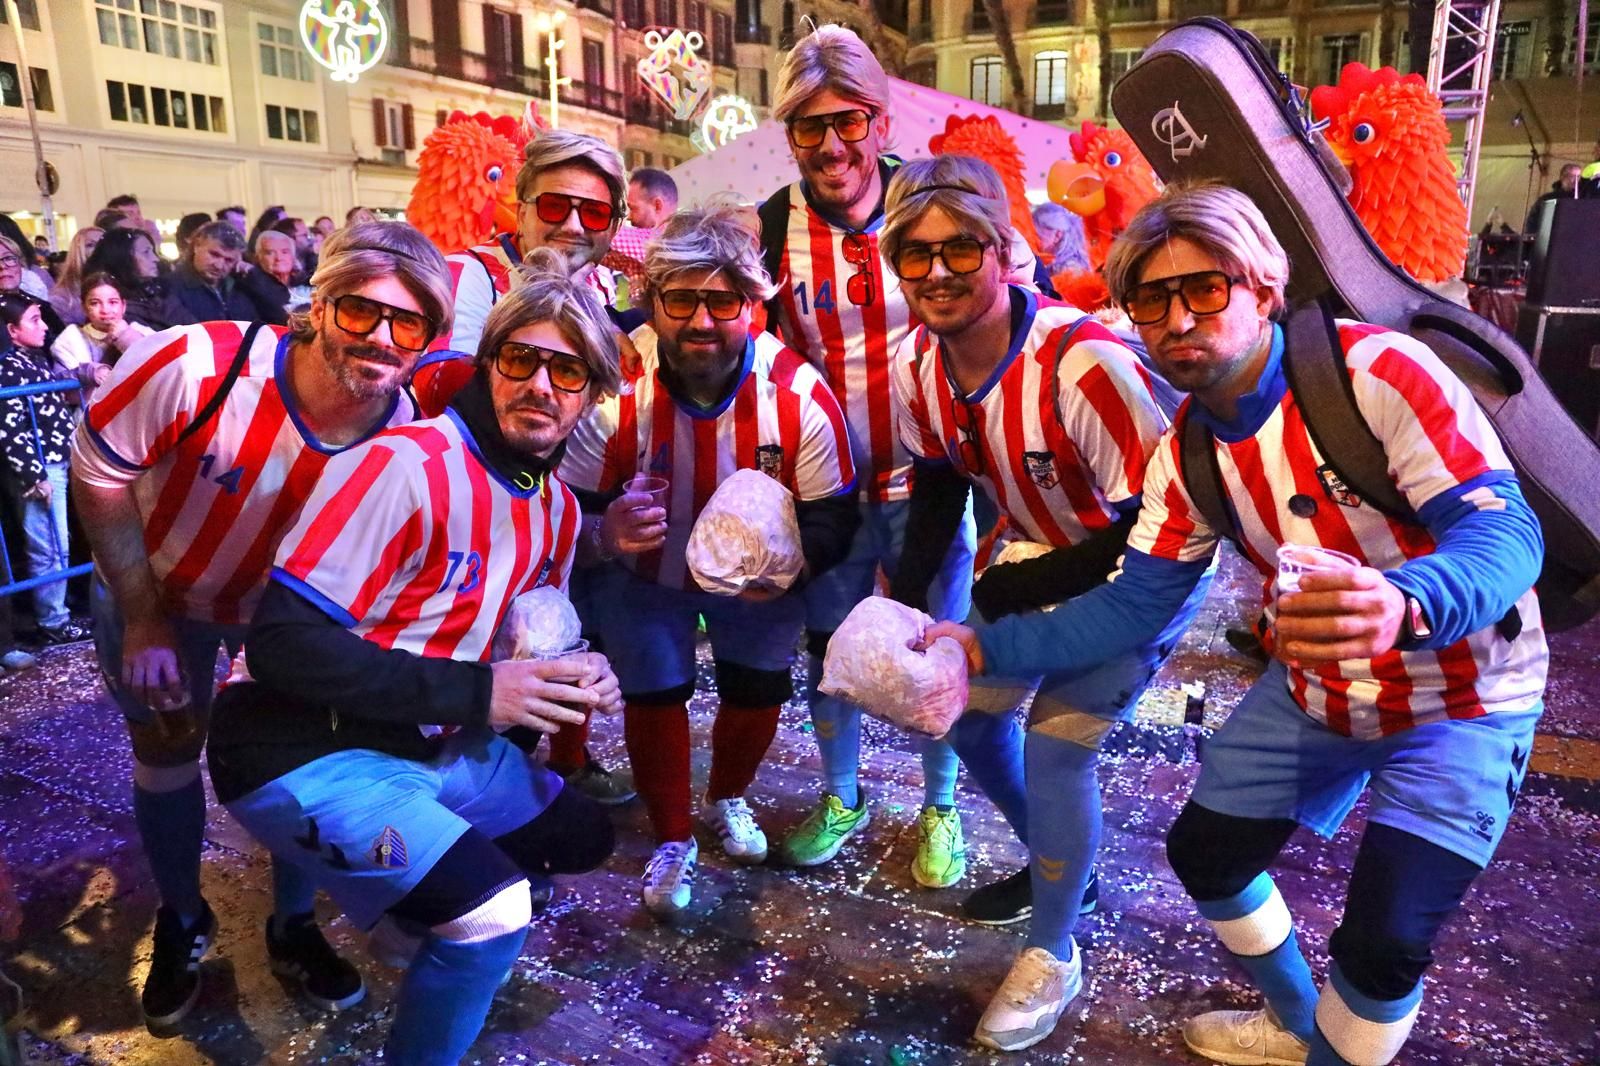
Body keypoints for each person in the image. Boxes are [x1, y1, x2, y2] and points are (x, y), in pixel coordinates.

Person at [927, 183, 1547, 1066]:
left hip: (1467, 697)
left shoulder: (1376, 375)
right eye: (1152, 298)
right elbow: (1136, 601)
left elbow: (1505, 529)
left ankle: (1336, 1048)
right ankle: (1301, 1027)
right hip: (1318, 691)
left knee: (1383, 945)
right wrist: (985, 646)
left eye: (1206, 289)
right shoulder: (1185, 451)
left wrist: (1403, 599)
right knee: (1207, 854)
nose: (1178, 318)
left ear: (1263, 287)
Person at [206, 253, 623, 1065]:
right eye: (520, 359)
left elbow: (529, 647)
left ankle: (407, 910)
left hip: (426, 743)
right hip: (297, 746)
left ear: (590, 395)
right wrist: (478, 693)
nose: (541, 385)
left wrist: (583, 671)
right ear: (488, 365)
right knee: (493, 914)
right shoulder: (405, 464)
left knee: (583, 835)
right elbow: (280, 643)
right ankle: (424, 928)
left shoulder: (560, 510)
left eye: (567, 370)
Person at [69, 222, 454, 1027]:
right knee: (168, 749)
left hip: (281, 615)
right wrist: (142, 620)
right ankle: (181, 918)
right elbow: (100, 469)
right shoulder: (197, 362)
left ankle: (293, 925)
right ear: (320, 306)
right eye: (361, 312)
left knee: (301, 757)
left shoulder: (405, 420)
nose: (383, 337)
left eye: (407, 322)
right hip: (157, 588)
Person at [880, 156, 1208, 1050]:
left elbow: (1158, 517)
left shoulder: (1084, 361)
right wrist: (908, 606)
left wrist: (1012, 592)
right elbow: (942, 480)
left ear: (1004, 250)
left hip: (1143, 568)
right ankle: (1065, 870)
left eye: (961, 247)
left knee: (1058, 754)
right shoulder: (915, 361)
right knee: (969, 721)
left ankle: (1054, 949)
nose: (938, 270)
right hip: (1030, 558)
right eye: (916, 253)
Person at [759, 23, 1039, 883]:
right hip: (830, 489)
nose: (832, 142)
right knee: (828, 650)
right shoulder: (774, 223)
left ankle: (941, 810)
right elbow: (760, 352)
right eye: (810, 125)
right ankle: (843, 796)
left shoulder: (935, 204)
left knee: (936, 647)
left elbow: (1024, 307)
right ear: (790, 134)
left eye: (850, 120)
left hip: (938, 483)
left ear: (882, 122)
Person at [562, 206, 859, 919]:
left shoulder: (797, 394)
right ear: (652, 302)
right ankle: (670, 837)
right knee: (654, 692)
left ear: (751, 306)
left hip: (758, 578)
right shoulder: (613, 379)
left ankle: (728, 795)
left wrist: (791, 571)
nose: (700, 320)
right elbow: (562, 504)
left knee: (757, 691)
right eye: (681, 299)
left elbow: (834, 514)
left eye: (721, 300)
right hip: (645, 572)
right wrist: (603, 530)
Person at [413, 126, 644, 805]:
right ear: (519, 203)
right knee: (485, 664)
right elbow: (444, 387)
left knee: (568, 637)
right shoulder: (474, 273)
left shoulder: (603, 284)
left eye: (594, 212)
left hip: (567, 506)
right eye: (554, 205)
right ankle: (459, 809)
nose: (572, 224)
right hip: (481, 513)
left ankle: (560, 768)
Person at [0, 294, 85, 645]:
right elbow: (9, 428)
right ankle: (53, 620)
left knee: (57, 545)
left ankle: (56, 615)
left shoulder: (28, 360)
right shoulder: (8, 367)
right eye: (35, 320)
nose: (46, 325)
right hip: (40, 470)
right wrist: (34, 475)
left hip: (54, 464)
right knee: (48, 547)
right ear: (12, 330)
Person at [50, 273, 150, 399]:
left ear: (123, 306)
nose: (105, 310)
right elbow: (61, 387)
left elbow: (161, 366)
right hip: (94, 413)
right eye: (95, 303)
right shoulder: (70, 339)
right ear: (84, 308)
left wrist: (126, 337)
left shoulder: (141, 332)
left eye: (113, 302)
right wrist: (88, 373)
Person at [83, 228, 194, 332]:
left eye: (153, 252)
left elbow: (194, 328)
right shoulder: (114, 307)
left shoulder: (160, 291)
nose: (155, 259)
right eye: (146, 252)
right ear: (124, 258)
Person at [170, 222, 255, 323]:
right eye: (214, 254)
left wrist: (255, 275)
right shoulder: (169, 289)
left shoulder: (241, 286)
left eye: (229, 260)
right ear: (197, 245)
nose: (219, 266)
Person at [47, 227, 104, 327]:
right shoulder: (62, 298)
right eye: (90, 245)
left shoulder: (123, 284)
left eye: (103, 243)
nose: (99, 248)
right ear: (78, 252)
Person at [238, 230, 297, 326]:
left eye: (285, 252)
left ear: (293, 256)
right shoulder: (252, 287)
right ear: (258, 257)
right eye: (270, 253)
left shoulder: (306, 282)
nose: (279, 258)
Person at [1031, 201, 1091, 274]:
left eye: (1038, 235)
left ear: (1057, 235)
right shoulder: (1056, 265)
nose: (1033, 238)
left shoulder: (1070, 269)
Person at [1523, 162, 1581, 233]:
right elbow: (1533, 221)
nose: (1576, 180)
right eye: (1572, 176)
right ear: (1563, 177)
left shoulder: (1582, 199)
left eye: (1578, 177)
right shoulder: (1547, 199)